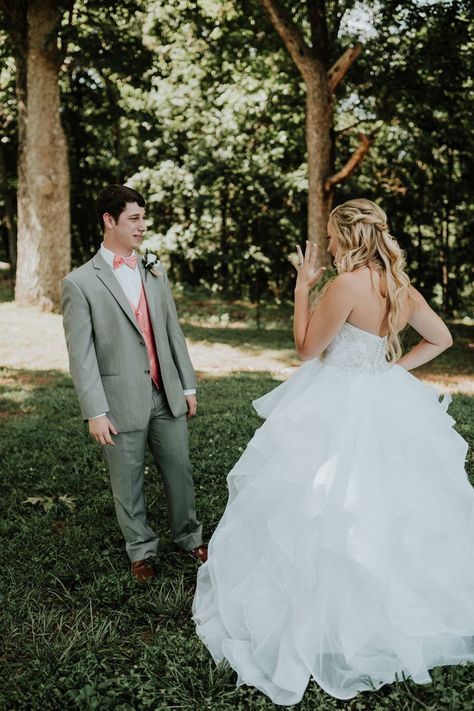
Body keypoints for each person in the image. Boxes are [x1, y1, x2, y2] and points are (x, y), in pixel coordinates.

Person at [192, 198, 474, 704]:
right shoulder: (399, 287)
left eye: (330, 234)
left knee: (319, 501)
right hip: (381, 395)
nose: (327, 243)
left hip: (335, 398)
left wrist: (302, 289)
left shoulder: (344, 285)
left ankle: (321, 612)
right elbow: (441, 338)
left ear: (347, 237)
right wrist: (392, 372)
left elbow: (306, 349)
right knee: (386, 506)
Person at [62, 184, 207, 583]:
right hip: (119, 398)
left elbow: (171, 330)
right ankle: (141, 551)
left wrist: (188, 385)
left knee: (179, 468)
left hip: (166, 391)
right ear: (110, 221)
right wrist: (95, 411)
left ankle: (189, 536)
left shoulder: (152, 269)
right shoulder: (80, 283)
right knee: (127, 480)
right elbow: (82, 354)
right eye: (134, 219)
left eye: (143, 217)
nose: (143, 226)